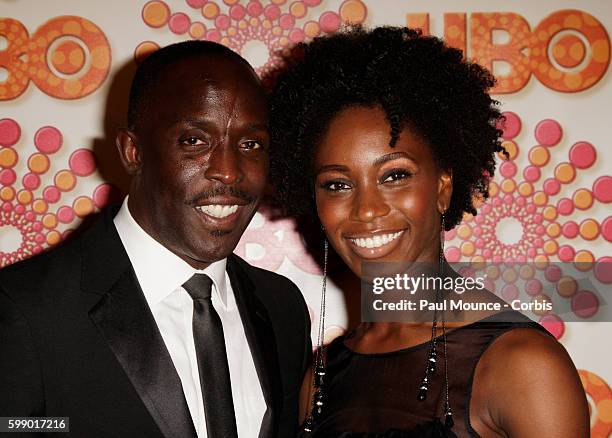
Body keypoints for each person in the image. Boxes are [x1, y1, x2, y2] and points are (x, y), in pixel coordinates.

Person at [268, 26, 589, 437]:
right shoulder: (320, 378)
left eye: (395, 175)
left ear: (443, 188)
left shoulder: (521, 365)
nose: (366, 209)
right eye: (337, 184)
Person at [0, 41, 311, 438]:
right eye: (195, 141)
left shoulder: (282, 307)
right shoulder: (25, 311)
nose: (229, 172)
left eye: (251, 144)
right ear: (133, 151)